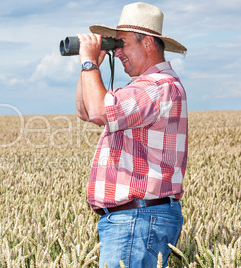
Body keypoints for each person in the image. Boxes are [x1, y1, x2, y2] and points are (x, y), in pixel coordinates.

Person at [75, 2, 188, 268]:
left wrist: (89, 62)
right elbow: (85, 110)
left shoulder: (157, 87)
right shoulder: (147, 87)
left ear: (148, 43)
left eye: (121, 44)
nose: (117, 52)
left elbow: (98, 111)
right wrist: (90, 68)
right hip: (136, 220)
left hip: (137, 220)